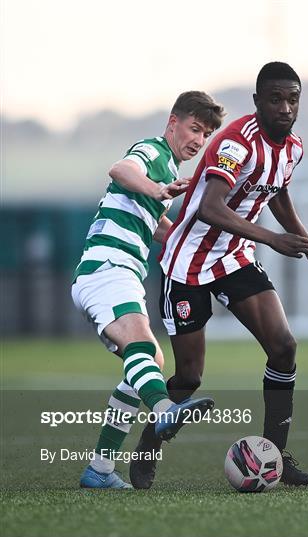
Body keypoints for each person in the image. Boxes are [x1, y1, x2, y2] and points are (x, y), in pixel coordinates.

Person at [131, 62, 308, 489]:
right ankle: (149, 444)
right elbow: (209, 207)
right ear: (258, 102)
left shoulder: (293, 148)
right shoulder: (235, 142)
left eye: (292, 99)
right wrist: (273, 240)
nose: (285, 107)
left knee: (283, 347)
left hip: (235, 258)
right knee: (189, 377)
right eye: (276, 99)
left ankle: (275, 455)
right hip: (188, 263)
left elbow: (276, 191)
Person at [71, 91, 225, 488]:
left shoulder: (167, 167)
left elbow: (154, 223)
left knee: (147, 359)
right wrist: (158, 191)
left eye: (205, 134)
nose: (198, 139)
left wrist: (180, 238)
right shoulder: (152, 151)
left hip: (122, 272)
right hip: (108, 266)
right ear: (173, 122)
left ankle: (100, 470)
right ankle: (163, 408)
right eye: (194, 128)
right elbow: (120, 169)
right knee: (143, 348)